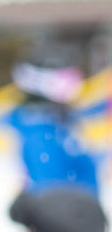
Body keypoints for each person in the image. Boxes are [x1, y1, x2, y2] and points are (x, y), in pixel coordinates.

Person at [7, 43, 99, 196]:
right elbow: (52, 192)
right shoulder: (40, 134)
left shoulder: (58, 123)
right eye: (65, 80)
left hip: (83, 212)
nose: (74, 87)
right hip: (72, 215)